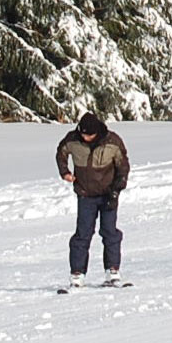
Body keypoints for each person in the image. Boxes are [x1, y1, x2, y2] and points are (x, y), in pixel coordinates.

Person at [57, 113, 131, 289]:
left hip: (108, 194)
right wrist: (65, 172)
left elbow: (123, 167)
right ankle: (77, 274)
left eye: (89, 135)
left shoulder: (112, 141)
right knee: (82, 234)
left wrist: (116, 191)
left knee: (110, 232)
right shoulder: (72, 139)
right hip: (85, 194)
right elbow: (61, 153)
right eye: (83, 134)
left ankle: (112, 271)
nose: (85, 137)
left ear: (97, 132)